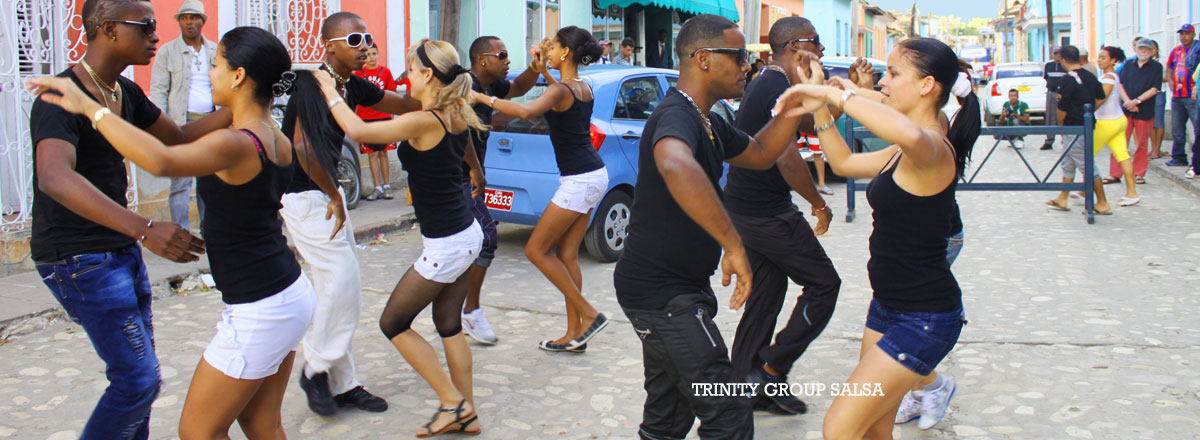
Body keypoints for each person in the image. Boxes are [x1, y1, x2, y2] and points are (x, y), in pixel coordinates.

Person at [30, 25, 340, 440]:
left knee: (198, 431)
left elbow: (161, 160)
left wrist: (92, 110)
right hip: (284, 292)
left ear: (238, 77)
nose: (208, 74)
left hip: (261, 308)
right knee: (261, 423)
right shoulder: (274, 136)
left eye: (215, 65)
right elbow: (178, 138)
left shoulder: (236, 143)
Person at [26, 1, 225, 437]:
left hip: (118, 249)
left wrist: (249, 100)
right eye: (147, 26)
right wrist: (146, 228)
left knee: (141, 380)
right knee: (137, 380)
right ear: (109, 29)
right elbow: (54, 177)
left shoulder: (123, 93)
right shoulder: (62, 95)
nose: (157, 35)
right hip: (78, 258)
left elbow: (178, 138)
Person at [770, 36, 981, 439]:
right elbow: (843, 162)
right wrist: (821, 111)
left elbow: (907, 131)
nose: (883, 82)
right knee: (873, 430)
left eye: (894, 74)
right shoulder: (901, 150)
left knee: (839, 428)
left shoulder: (932, 146)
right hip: (887, 308)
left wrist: (837, 93)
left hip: (924, 319)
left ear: (926, 85)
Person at [614, 14, 813, 439]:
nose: (747, 65)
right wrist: (733, 243)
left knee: (667, 419)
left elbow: (760, 152)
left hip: (678, 289)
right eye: (739, 56)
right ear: (703, 59)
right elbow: (672, 161)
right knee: (729, 411)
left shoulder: (708, 118)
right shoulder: (676, 116)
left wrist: (798, 101)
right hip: (662, 295)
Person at [316, 38, 487, 437]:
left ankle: (453, 404)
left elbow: (359, 130)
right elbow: (465, 152)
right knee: (448, 324)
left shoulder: (425, 120)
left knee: (393, 322)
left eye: (410, 70)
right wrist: (477, 172)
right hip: (465, 233)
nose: (404, 76)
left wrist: (328, 90)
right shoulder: (452, 112)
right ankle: (469, 414)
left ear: (427, 75)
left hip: (448, 244)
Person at [286, 11, 419, 416]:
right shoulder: (312, 84)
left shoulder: (351, 84)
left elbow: (403, 104)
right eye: (355, 39)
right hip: (307, 196)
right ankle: (315, 368)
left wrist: (441, 93)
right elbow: (303, 149)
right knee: (340, 283)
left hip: (326, 195)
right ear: (329, 45)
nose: (365, 46)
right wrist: (333, 194)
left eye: (368, 38)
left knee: (338, 289)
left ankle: (342, 385)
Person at [724, 16, 839, 417]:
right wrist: (819, 204)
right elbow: (787, 156)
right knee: (825, 285)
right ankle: (771, 370)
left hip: (748, 209)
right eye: (817, 42)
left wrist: (830, 97)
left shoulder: (775, 84)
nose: (822, 50)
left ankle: (745, 385)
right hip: (765, 213)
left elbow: (808, 123)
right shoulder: (773, 84)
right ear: (795, 47)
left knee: (766, 297)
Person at [473, 27, 609, 352]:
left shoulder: (562, 89)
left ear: (565, 52)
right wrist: (544, 70)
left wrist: (482, 97)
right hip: (593, 174)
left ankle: (588, 315)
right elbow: (558, 98)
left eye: (554, 47)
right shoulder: (581, 87)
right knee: (566, 254)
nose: (548, 50)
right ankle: (575, 334)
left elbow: (525, 110)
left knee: (536, 250)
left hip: (579, 179)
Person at [459, 35, 540, 345]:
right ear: (482, 60)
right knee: (487, 238)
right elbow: (458, 126)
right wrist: (475, 169)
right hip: (459, 178)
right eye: (502, 55)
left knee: (465, 243)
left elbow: (519, 88)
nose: (507, 60)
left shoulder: (490, 85)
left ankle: (454, 307)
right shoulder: (467, 86)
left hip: (468, 175)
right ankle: (470, 310)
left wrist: (534, 67)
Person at [149, 0, 215, 232]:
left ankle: (209, 232)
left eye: (194, 17)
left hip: (211, 123)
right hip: (181, 124)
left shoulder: (215, 51)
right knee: (181, 182)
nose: (189, 22)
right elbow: (158, 90)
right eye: (184, 18)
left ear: (202, 21)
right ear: (179, 21)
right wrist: (160, 126)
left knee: (209, 181)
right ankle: (182, 233)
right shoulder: (167, 52)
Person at [1045, 46, 1111, 215]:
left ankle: (1102, 202)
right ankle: (1063, 197)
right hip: (1086, 124)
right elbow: (1101, 97)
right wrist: (1088, 112)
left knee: (1086, 164)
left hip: (1073, 127)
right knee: (1068, 162)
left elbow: (1062, 108)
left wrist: (1062, 125)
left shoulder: (1068, 79)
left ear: (1064, 61)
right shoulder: (1089, 76)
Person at [1093, 46, 1141, 205]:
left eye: (1103, 57)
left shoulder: (1108, 78)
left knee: (1085, 156)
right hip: (1119, 119)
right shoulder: (1114, 75)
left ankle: (1085, 192)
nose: (1099, 60)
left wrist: (1087, 111)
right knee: (1123, 156)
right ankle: (1132, 193)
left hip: (1106, 122)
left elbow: (1102, 99)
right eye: (1099, 57)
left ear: (1113, 60)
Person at [354, 44, 399, 201]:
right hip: (365, 118)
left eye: (374, 53)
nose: (371, 57)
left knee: (383, 153)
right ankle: (377, 187)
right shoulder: (358, 74)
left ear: (378, 54)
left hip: (383, 116)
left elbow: (392, 92)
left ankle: (387, 186)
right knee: (371, 155)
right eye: (368, 54)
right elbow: (355, 98)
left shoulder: (385, 72)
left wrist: (392, 114)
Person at [1115, 39, 1160, 184]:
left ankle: (1139, 173)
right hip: (1127, 108)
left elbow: (1154, 89)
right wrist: (1128, 101)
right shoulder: (1128, 64)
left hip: (1144, 109)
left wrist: (1137, 101)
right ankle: (1115, 174)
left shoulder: (1156, 67)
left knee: (1141, 143)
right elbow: (1119, 83)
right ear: (1136, 49)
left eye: (1147, 49)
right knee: (1120, 141)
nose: (1143, 51)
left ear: (1152, 51)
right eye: (1141, 48)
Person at [1166, 25, 1200, 167]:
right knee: (1177, 129)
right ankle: (1179, 157)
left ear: (1193, 34)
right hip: (1178, 96)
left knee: (1197, 128)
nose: (1183, 37)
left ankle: (1196, 160)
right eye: (1181, 34)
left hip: (1192, 96)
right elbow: (1169, 67)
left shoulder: (1197, 50)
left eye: (1187, 34)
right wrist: (1170, 80)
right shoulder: (1176, 51)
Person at [1043, 46, 1067, 150]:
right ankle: (1049, 140)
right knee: (1050, 117)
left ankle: (1065, 140)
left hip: (1062, 93)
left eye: (1060, 54)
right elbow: (1046, 78)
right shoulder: (1049, 65)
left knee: (1062, 116)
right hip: (1051, 92)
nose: (1058, 56)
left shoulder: (1065, 66)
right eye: (1056, 54)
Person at [1151, 40, 1169, 159]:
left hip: (1159, 92)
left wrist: (1155, 78)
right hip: (1147, 94)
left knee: (1159, 121)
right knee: (1151, 122)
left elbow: (1168, 77)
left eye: (1153, 48)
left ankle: (1158, 149)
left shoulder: (1163, 60)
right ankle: (1153, 148)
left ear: (1157, 49)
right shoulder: (1145, 62)